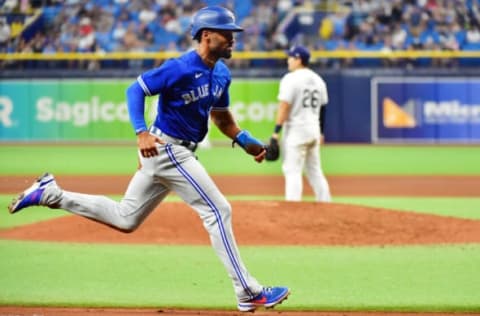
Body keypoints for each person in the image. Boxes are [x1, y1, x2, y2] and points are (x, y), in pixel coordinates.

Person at [8, 6, 290, 312]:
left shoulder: (222, 73)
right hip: (167, 148)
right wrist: (141, 131)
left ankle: (51, 193)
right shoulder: (179, 67)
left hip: (170, 153)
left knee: (125, 218)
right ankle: (248, 291)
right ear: (207, 36)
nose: (234, 39)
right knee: (218, 210)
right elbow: (136, 89)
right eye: (227, 33)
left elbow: (221, 118)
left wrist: (244, 140)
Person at [270, 45, 332, 202]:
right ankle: (326, 204)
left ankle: (292, 206)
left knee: (292, 171)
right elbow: (323, 108)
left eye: (290, 57)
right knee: (315, 171)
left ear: (298, 59)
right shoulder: (318, 79)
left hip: (296, 130)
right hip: (314, 130)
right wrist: (321, 132)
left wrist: (276, 131)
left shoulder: (290, 79)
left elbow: (284, 106)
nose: (288, 60)